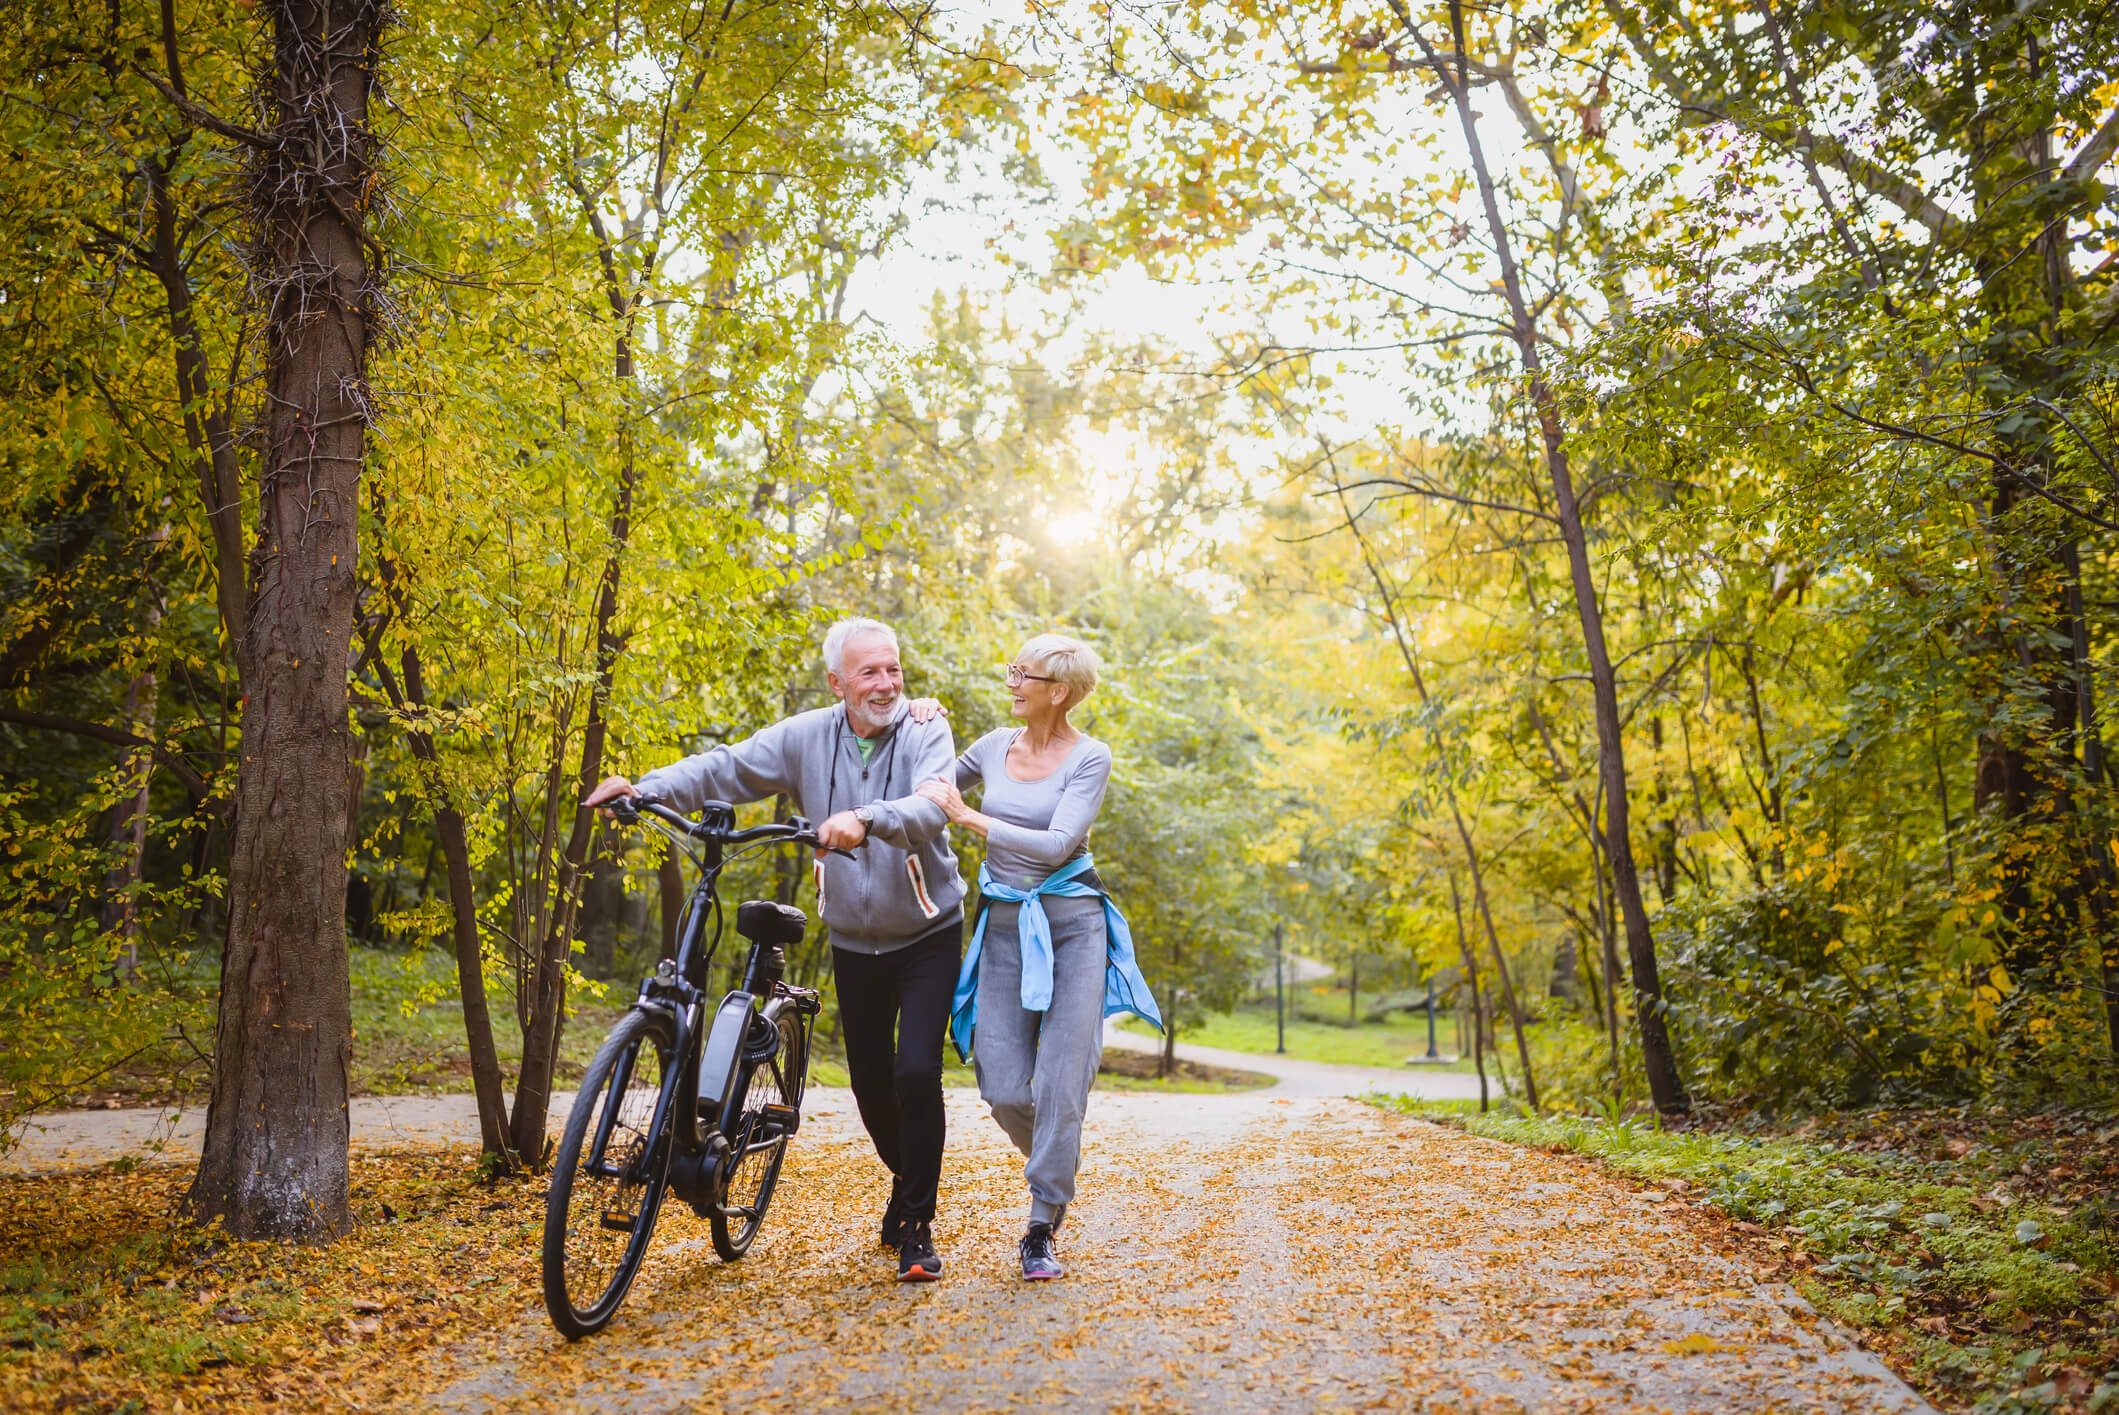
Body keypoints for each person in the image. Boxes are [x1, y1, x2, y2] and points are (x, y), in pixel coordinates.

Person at [584, 617, 963, 1282]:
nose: (885, 684)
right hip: (854, 940)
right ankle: (910, 1180)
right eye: (869, 672)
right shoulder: (806, 736)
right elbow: (728, 766)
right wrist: (646, 789)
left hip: (927, 931)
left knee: (913, 1071)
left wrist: (866, 817)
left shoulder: (925, 730)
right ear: (837, 682)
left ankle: (916, 1224)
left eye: (893, 669)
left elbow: (932, 806)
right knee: (871, 1087)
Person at [915, 633, 1160, 1281]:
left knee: (1059, 1083)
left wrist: (968, 817)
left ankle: (1040, 1224)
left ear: (1059, 691)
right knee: (1000, 1086)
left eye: (1023, 674)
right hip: (1004, 926)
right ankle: (1057, 1160)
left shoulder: (1090, 757)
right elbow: (927, 784)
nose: (1012, 682)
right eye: (1012, 670)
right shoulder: (993, 745)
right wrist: (918, 721)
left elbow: (1055, 844)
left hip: (1074, 927)